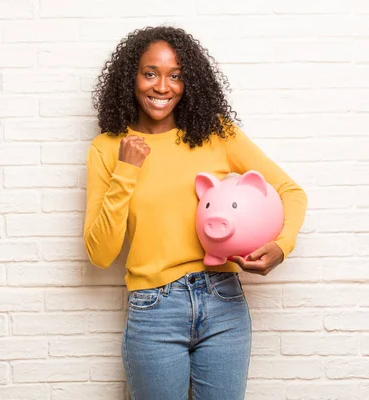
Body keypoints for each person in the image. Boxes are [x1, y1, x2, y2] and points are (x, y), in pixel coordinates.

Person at [84, 26, 307, 400]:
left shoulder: (215, 133)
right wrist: (127, 170)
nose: (162, 87)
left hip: (223, 300)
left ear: (190, 82)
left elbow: (290, 191)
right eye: (150, 73)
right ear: (131, 77)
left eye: (176, 76)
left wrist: (282, 246)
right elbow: (100, 253)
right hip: (154, 308)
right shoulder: (108, 148)